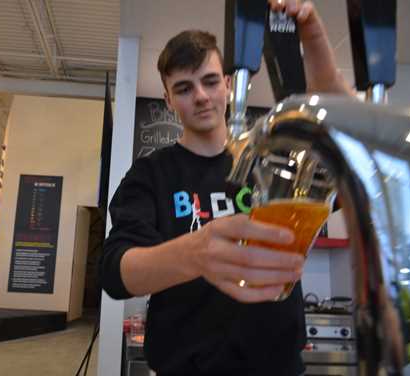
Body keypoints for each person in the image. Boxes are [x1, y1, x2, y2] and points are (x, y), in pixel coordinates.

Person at [101, 1, 353, 375]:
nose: (200, 96)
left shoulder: (276, 160)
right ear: (168, 100)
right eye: (184, 88)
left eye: (210, 81)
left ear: (230, 83)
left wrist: (314, 40)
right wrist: (195, 253)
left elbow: (350, 146)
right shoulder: (150, 175)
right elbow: (116, 273)